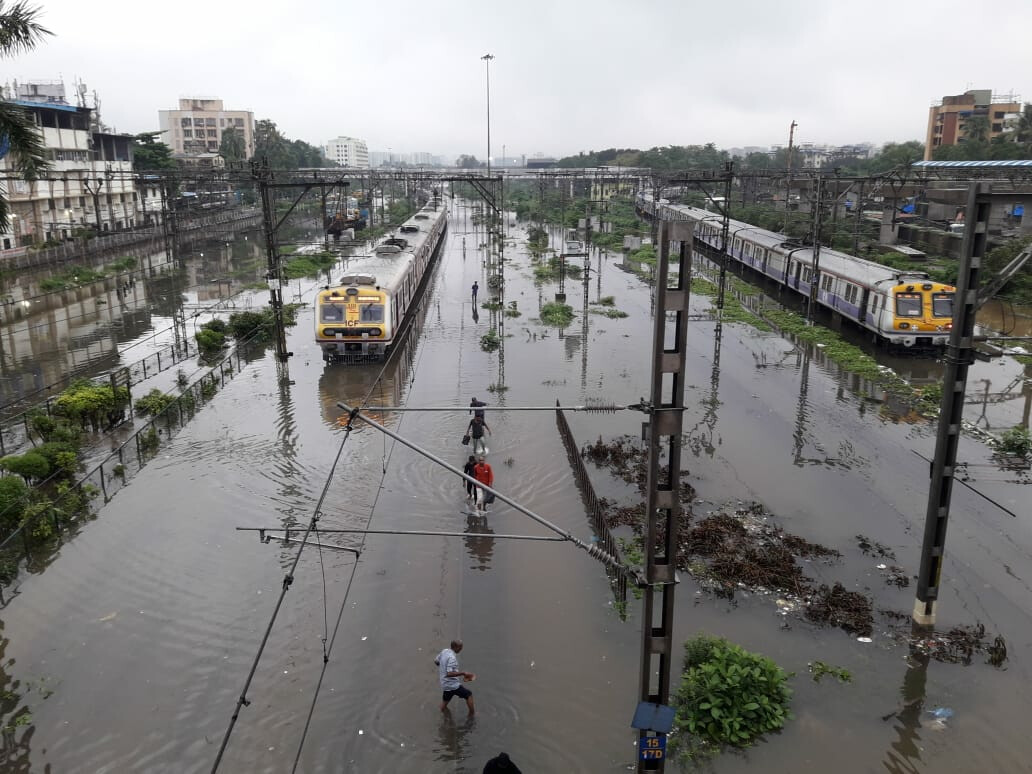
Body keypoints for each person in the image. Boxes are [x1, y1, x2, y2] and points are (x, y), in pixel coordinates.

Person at [436, 639, 475, 715]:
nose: (461, 649)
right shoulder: (452, 658)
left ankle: (443, 717)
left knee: (444, 704)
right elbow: (449, 673)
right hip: (452, 685)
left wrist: (442, 668)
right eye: (460, 648)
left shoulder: (444, 651)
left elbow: (436, 661)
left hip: (445, 684)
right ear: (456, 647)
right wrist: (463, 673)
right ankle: (472, 714)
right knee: (469, 694)